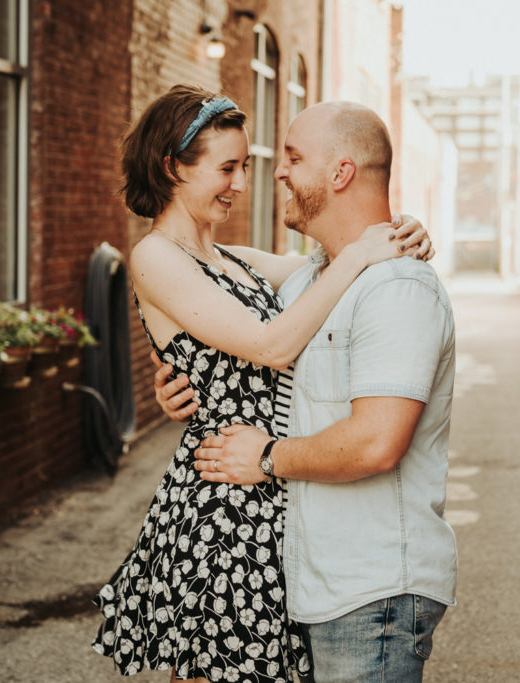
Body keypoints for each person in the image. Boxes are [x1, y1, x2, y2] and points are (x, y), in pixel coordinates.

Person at [90, 84, 431, 683]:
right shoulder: (155, 257)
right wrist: (359, 257)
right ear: (173, 167)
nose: (242, 184)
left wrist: (402, 234)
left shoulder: (237, 260)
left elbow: (333, 260)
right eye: (227, 168)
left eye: (246, 166)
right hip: (223, 509)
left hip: (274, 498)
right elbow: (273, 345)